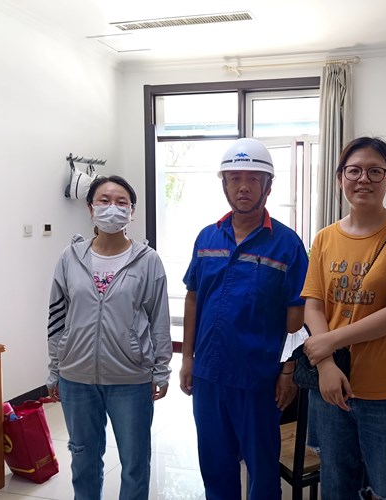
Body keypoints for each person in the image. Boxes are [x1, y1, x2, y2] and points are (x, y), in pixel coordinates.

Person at [301, 137, 386, 499]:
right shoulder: (325, 238)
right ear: (339, 178)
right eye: (354, 170)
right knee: (336, 489)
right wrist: (326, 365)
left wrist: (328, 342)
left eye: (375, 171)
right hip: (331, 386)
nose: (364, 179)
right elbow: (314, 305)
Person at [179, 138, 309, 499]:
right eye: (235, 178)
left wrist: (288, 372)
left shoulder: (287, 244)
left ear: (268, 186)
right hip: (209, 375)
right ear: (224, 184)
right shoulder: (207, 237)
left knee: (262, 471)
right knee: (215, 466)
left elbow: (296, 313)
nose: (243, 187)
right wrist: (187, 358)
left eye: (253, 179)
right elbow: (193, 298)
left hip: (259, 379)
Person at [46, 175, 173, 500]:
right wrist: (55, 368)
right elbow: (57, 318)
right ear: (90, 208)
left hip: (131, 379)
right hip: (77, 378)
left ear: (132, 211)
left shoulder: (148, 261)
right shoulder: (70, 258)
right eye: (104, 200)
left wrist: (161, 370)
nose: (112, 208)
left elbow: (159, 320)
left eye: (121, 202)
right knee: (83, 462)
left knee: (135, 464)